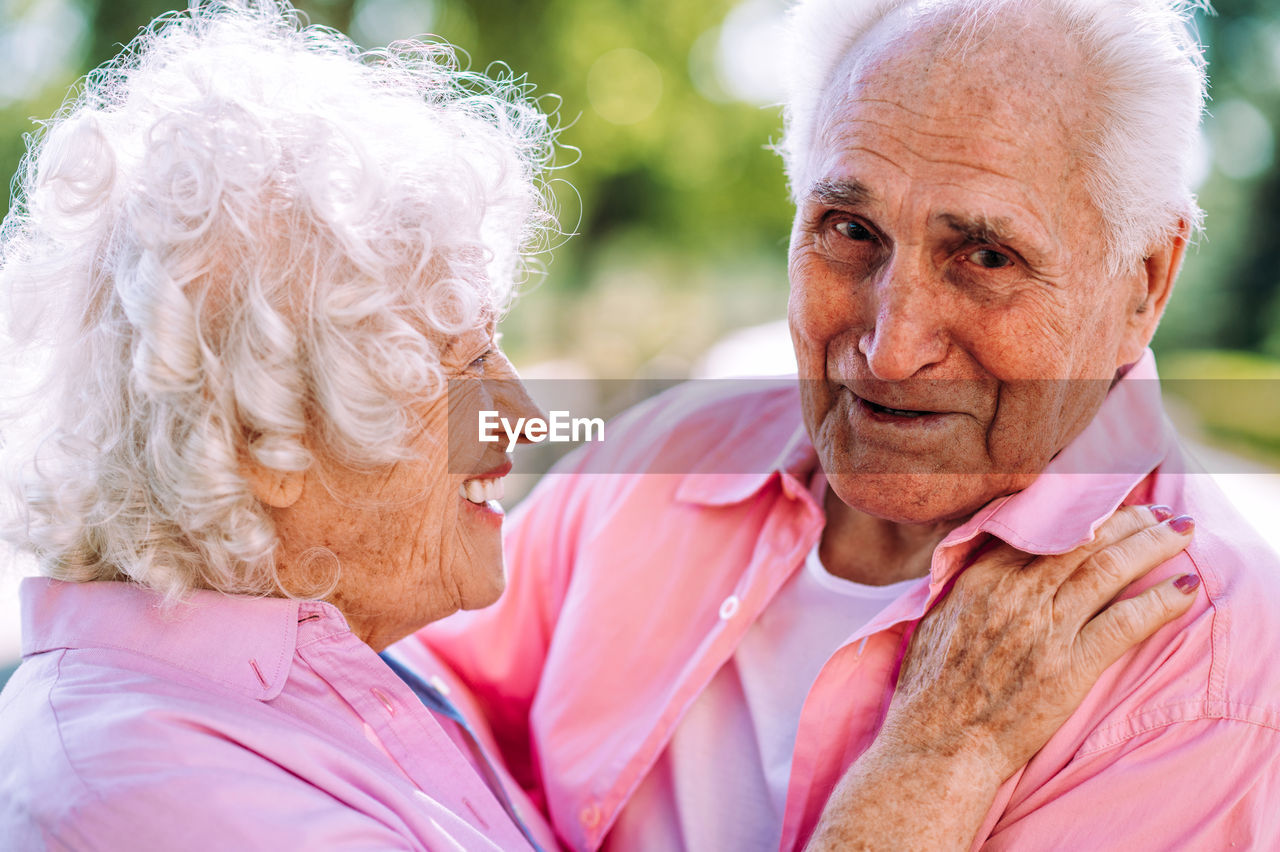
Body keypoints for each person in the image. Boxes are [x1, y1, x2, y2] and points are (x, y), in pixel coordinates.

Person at [411, 0, 1280, 849]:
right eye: (851, 230)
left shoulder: (1208, 664)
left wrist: (942, 758)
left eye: (985, 256)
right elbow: (422, 705)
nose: (892, 347)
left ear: (1146, 282)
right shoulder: (667, 453)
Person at [0, 2, 562, 848]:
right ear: (264, 436)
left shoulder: (312, 674)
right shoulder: (147, 782)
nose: (524, 419)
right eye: (467, 363)